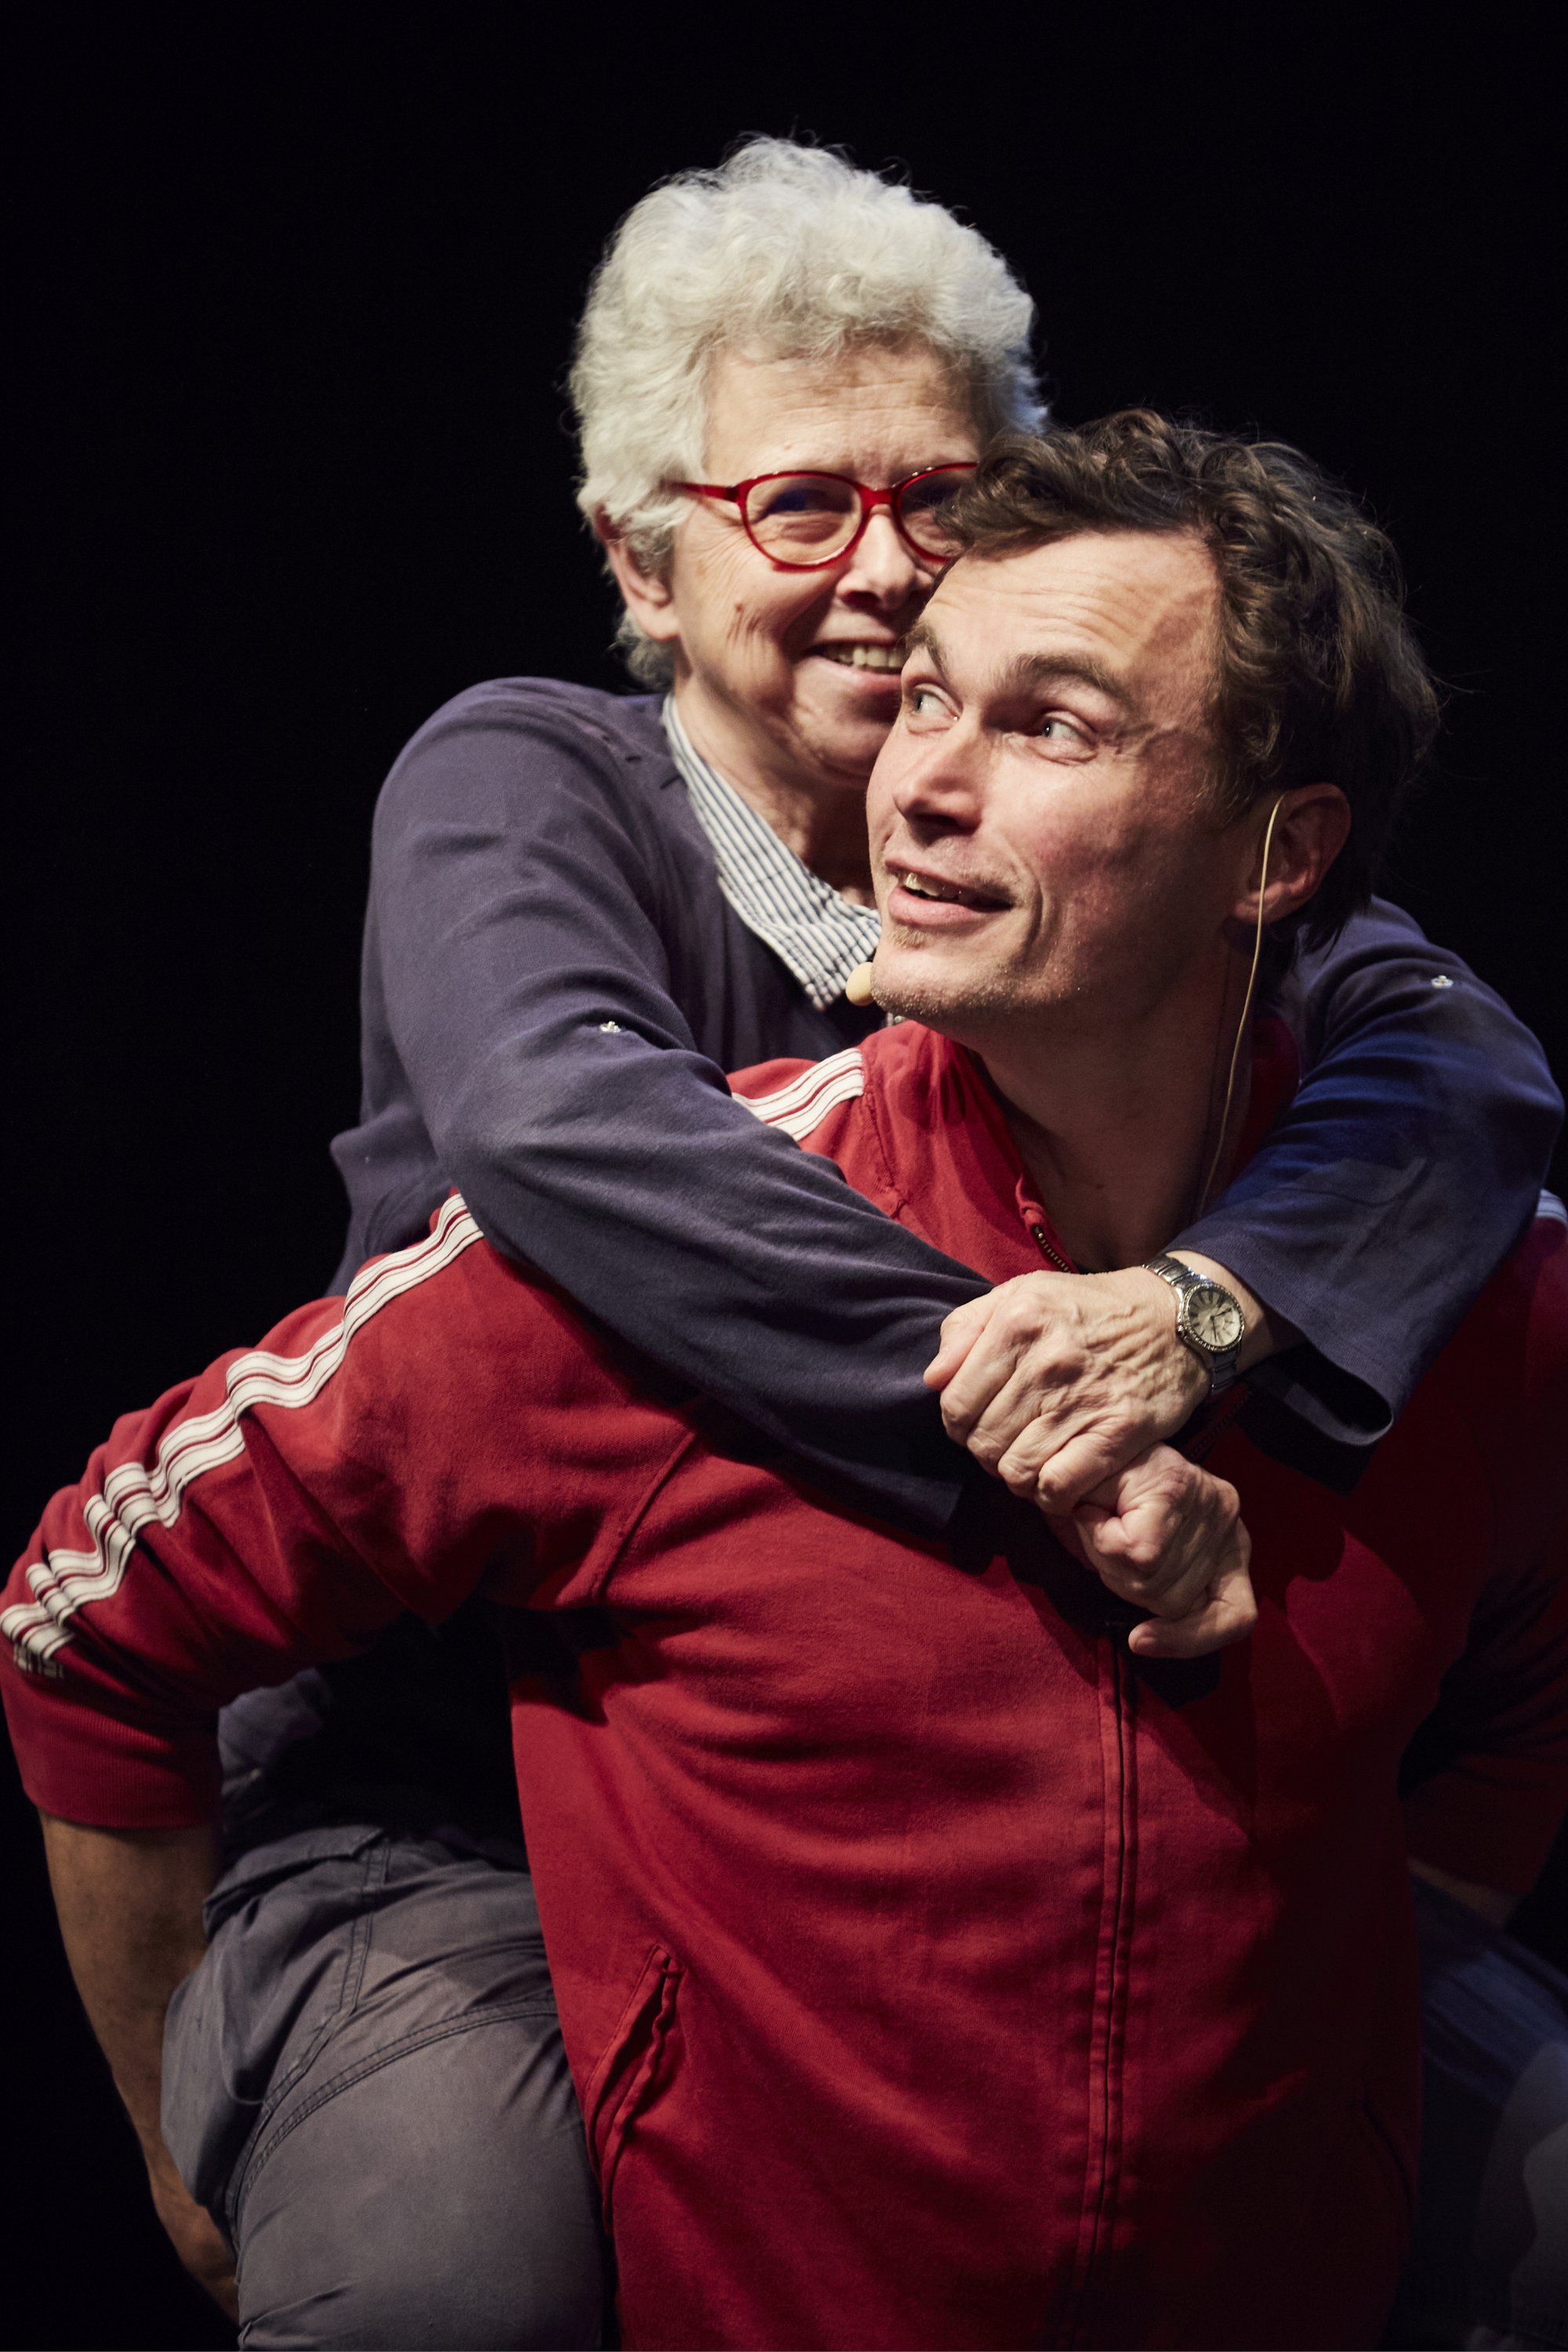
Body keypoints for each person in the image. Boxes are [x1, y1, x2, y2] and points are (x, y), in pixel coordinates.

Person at [27, 140, 1564, 2343]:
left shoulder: (1151, 870)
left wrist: (1200, 1305)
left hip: (1019, 1768)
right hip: (469, 1776)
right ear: (639, 563)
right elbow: (566, 1140)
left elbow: (1466, 1070)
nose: (890, 569)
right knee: (461, 2269)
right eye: (803, 507)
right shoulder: (539, 786)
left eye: (946, 499)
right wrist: (1065, 1434)